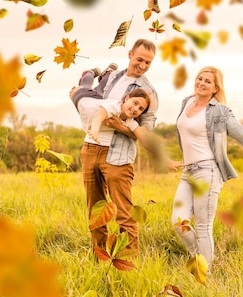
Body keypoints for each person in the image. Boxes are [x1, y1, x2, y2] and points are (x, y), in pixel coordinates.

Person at [170, 66, 243, 271]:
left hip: (207, 171)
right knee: (178, 222)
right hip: (187, 172)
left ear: (216, 88)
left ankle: (203, 273)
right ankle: (197, 256)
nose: (202, 83)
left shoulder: (220, 111)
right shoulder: (186, 102)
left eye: (208, 81)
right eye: (200, 78)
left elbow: (241, 132)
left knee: (202, 226)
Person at [72, 39, 164, 254]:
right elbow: (97, 107)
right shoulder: (113, 76)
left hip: (118, 155)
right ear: (130, 54)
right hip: (91, 148)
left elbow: (146, 132)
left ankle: (128, 260)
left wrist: (120, 126)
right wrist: (77, 95)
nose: (142, 65)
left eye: (148, 63)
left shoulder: (148, 93)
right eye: (140, 59)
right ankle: (100, 257)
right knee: (95, 209)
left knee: (124, 211)